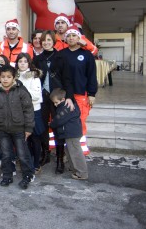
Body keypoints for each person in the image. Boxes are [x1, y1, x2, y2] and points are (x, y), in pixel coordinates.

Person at [33, 30, 75, 172]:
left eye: (49, 40)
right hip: (42, 98)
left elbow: (68, 79)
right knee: (42, 127)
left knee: (58, 128)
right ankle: (45, 154)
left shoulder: (61, 57)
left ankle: (59, 159)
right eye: (44, 40)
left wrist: (69, 97)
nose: (46, 42)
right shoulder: (37, 59)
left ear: (53, 41)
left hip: (57, 98)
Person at [0, 65, 35, 189]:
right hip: (2, 130)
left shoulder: (21, 91)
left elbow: (28, 110)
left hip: (19, 129)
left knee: (22, 154)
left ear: (14, 78)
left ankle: (27, 176)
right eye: (2, 77)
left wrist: (29, 128)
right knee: (6, 154)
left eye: (8, 77)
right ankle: (7, 176)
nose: (5, 79)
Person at [60, 25, 98, 156]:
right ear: (65, 39)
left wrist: (92, 94)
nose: (71, 38)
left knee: (80, 122)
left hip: (81, 94)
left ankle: (80, 152)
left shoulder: (86, 55)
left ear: (79, 37)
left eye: (74, 35)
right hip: (64, 95)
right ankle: (67, 152)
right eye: (68, 36)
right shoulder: (61, 54)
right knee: (65, 123)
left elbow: (92, 75)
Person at [50, 88, 88, 180]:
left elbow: (59, 120)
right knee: (70, 151)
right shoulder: (68, 106)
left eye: (56, 102)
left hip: (71, 134)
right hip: (72, 133)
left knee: (75, 153)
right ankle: (74, 168)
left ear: (62, 100)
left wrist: (51, 124)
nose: (55, 105)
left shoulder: (65, 108)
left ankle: (82, 173)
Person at [16, 53, 44, 173]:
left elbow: (36, 96)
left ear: (29, 63)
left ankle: (36, 163)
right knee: (24, 139)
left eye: (25, 61)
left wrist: (21, 95)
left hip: (33, 111)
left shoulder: (34, 76)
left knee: (35, 138)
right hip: (19, 112)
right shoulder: (15, 76)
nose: (22, 63)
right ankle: (26, 162)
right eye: (20, 61)